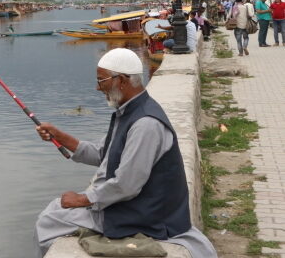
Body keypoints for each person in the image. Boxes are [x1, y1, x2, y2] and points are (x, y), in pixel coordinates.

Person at [33, 48, 216, 258]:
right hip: (137, 207)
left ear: (121, 80)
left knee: (48, 221)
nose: (97, 87)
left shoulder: (146, 124)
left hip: (148, 217)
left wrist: (83, 199)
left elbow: (126, 184)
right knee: (55, 209)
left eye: (101, 81)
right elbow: (104, 154)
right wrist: (59, 136)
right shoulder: (129, 112)